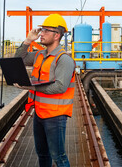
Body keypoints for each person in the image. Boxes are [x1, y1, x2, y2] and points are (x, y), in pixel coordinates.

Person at [15, 14, 75, 167]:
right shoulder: (40, 55)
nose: (41, 33)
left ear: (57, 35)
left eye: (46, 31)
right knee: (42, 154)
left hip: (55, 115)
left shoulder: (64, 59)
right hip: (40, 113)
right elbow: (18, 60)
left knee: (59, 157)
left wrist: (29, 86)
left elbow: (60, 87)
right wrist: (28, 41)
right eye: (41, 30)